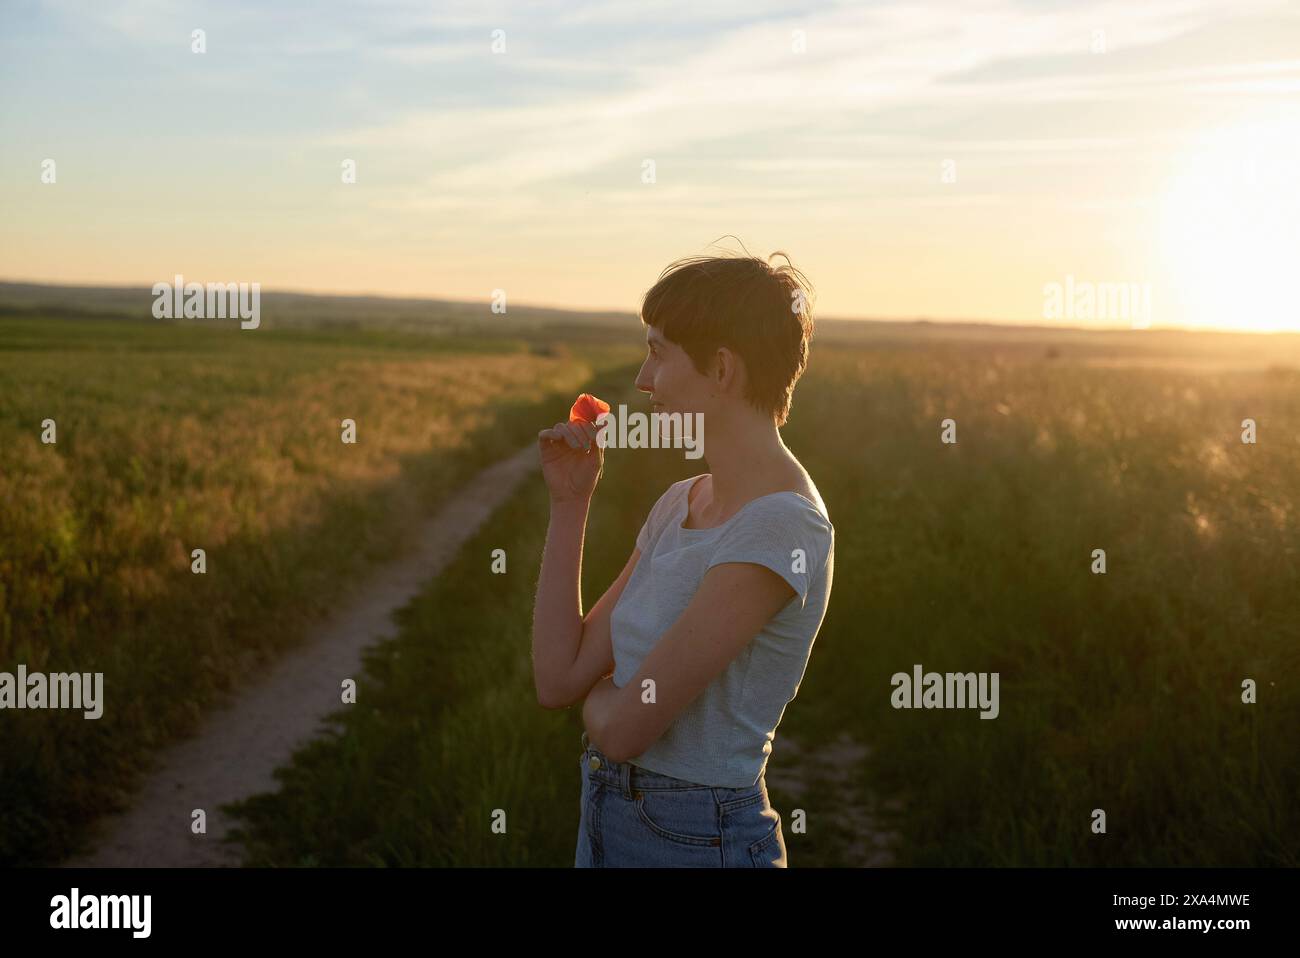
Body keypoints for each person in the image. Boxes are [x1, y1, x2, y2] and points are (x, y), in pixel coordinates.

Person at [532, 248, 834, 867]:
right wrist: (569, 504)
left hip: (700, 842)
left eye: (659, 353)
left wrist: (599, 697)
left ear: (721, 369)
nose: (643, 379)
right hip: (609, 818)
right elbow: (557, 677)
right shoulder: (680, 502)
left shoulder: (781, 529)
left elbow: (622, 730)